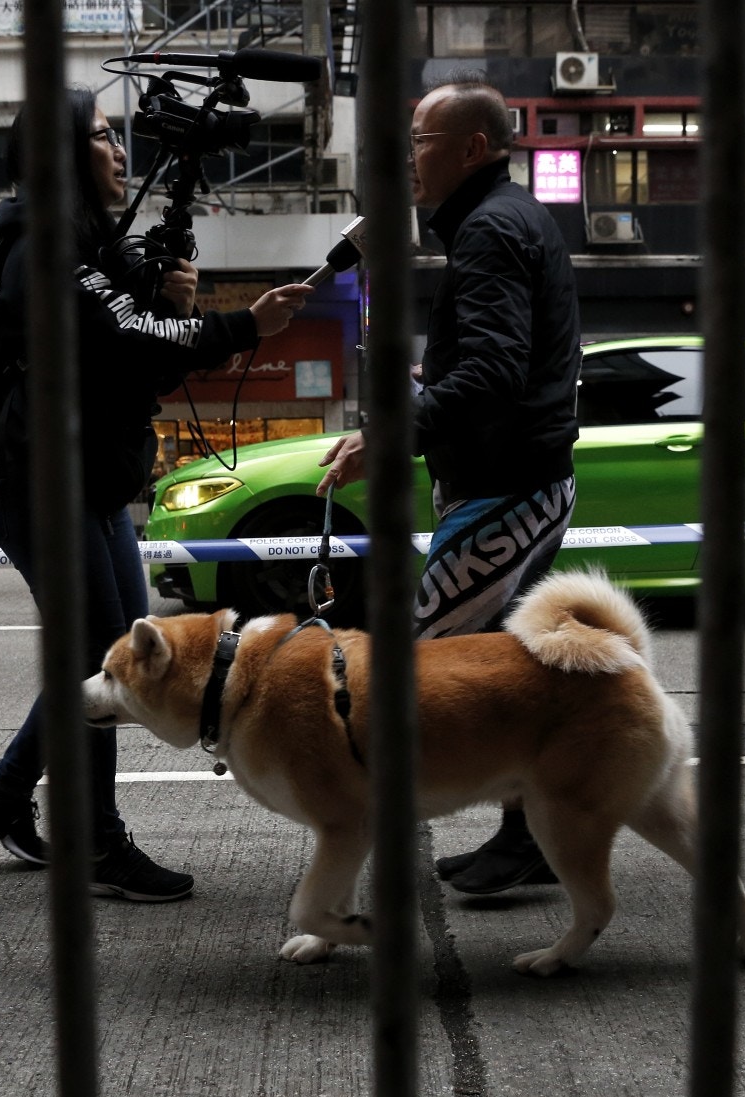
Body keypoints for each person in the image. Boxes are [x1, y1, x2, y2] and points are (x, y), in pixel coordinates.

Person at [0, 88, 312, 900]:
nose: (121, 154)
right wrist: (240, 325)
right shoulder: (46, 250)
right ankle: (97, 846)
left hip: (93, 479)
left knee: (111, 652)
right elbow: (131, 336)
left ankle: (6, 792)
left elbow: (137, 366)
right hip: (44, 484)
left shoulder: (89, 244)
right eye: (104, 138)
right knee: (106, 660)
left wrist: (177, 306)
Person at [317, 75, 582, 896]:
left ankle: (359, 834)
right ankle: (530, 831)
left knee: (408, 666)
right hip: (510, 480)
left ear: (474, 148)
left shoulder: (492, 230)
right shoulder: (498, 221)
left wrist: (392, 432)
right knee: (501, 668)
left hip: (510, 487)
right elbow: (497, 362)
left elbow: (499, 372)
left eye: (421, 144)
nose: (409, 163)